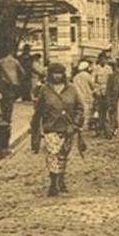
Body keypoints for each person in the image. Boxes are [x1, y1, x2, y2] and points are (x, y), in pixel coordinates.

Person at [30, 63, 85, 196]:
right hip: (51, 127)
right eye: (54, 73)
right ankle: (53, 183)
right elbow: (39, 110)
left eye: (59, 73)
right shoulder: (45, 89)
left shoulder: (71, 89)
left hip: (68, 127)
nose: (57, 76)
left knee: (63, 155)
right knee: (52, 154)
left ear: (63, 74)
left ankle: (61, 179)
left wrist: (76, 123)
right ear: (50, 74)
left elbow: (79, 108)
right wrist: (35, 127)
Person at [0, 50, 25, 122]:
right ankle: (8, 117)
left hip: (3, 83)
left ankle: (4, 115)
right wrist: (19, 80)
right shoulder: (16, 61)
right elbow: (22, 72)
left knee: (3, 100)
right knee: (10, 101)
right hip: (13, 84)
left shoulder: (2, 61)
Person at [92, 52, 114, 137]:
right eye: (102, 59)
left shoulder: (109, 69)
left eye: (105, 59)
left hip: (108, 92)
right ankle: (99, 129)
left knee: (109, 111)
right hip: (99, 92)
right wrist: (97, 90)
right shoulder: (96, 69)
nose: (103, 61)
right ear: (99, 60)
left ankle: (109, 131)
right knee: (99, 111)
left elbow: (112, 80)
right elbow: (93, 81)